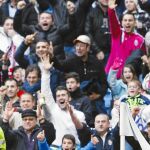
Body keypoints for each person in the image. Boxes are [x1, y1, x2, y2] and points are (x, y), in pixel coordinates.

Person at [40, 54, 86, 146]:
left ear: (69, 98)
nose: (60, 97)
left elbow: (83, 133)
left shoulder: (80, 115)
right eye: (58, 96)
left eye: (63, 95)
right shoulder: (54, 110)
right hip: (56, 147)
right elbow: (46, 92)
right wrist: (45, 72)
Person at [105, 0, 145, 78]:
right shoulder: (117, 33)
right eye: (125, 20)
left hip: (129, 78)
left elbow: (141, 60)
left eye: (130, 20)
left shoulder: (140, 40)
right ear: (122, 23)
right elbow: (113, 22)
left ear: (135, 23)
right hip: (112, 75)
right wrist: (111, 10)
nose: (127, 23)